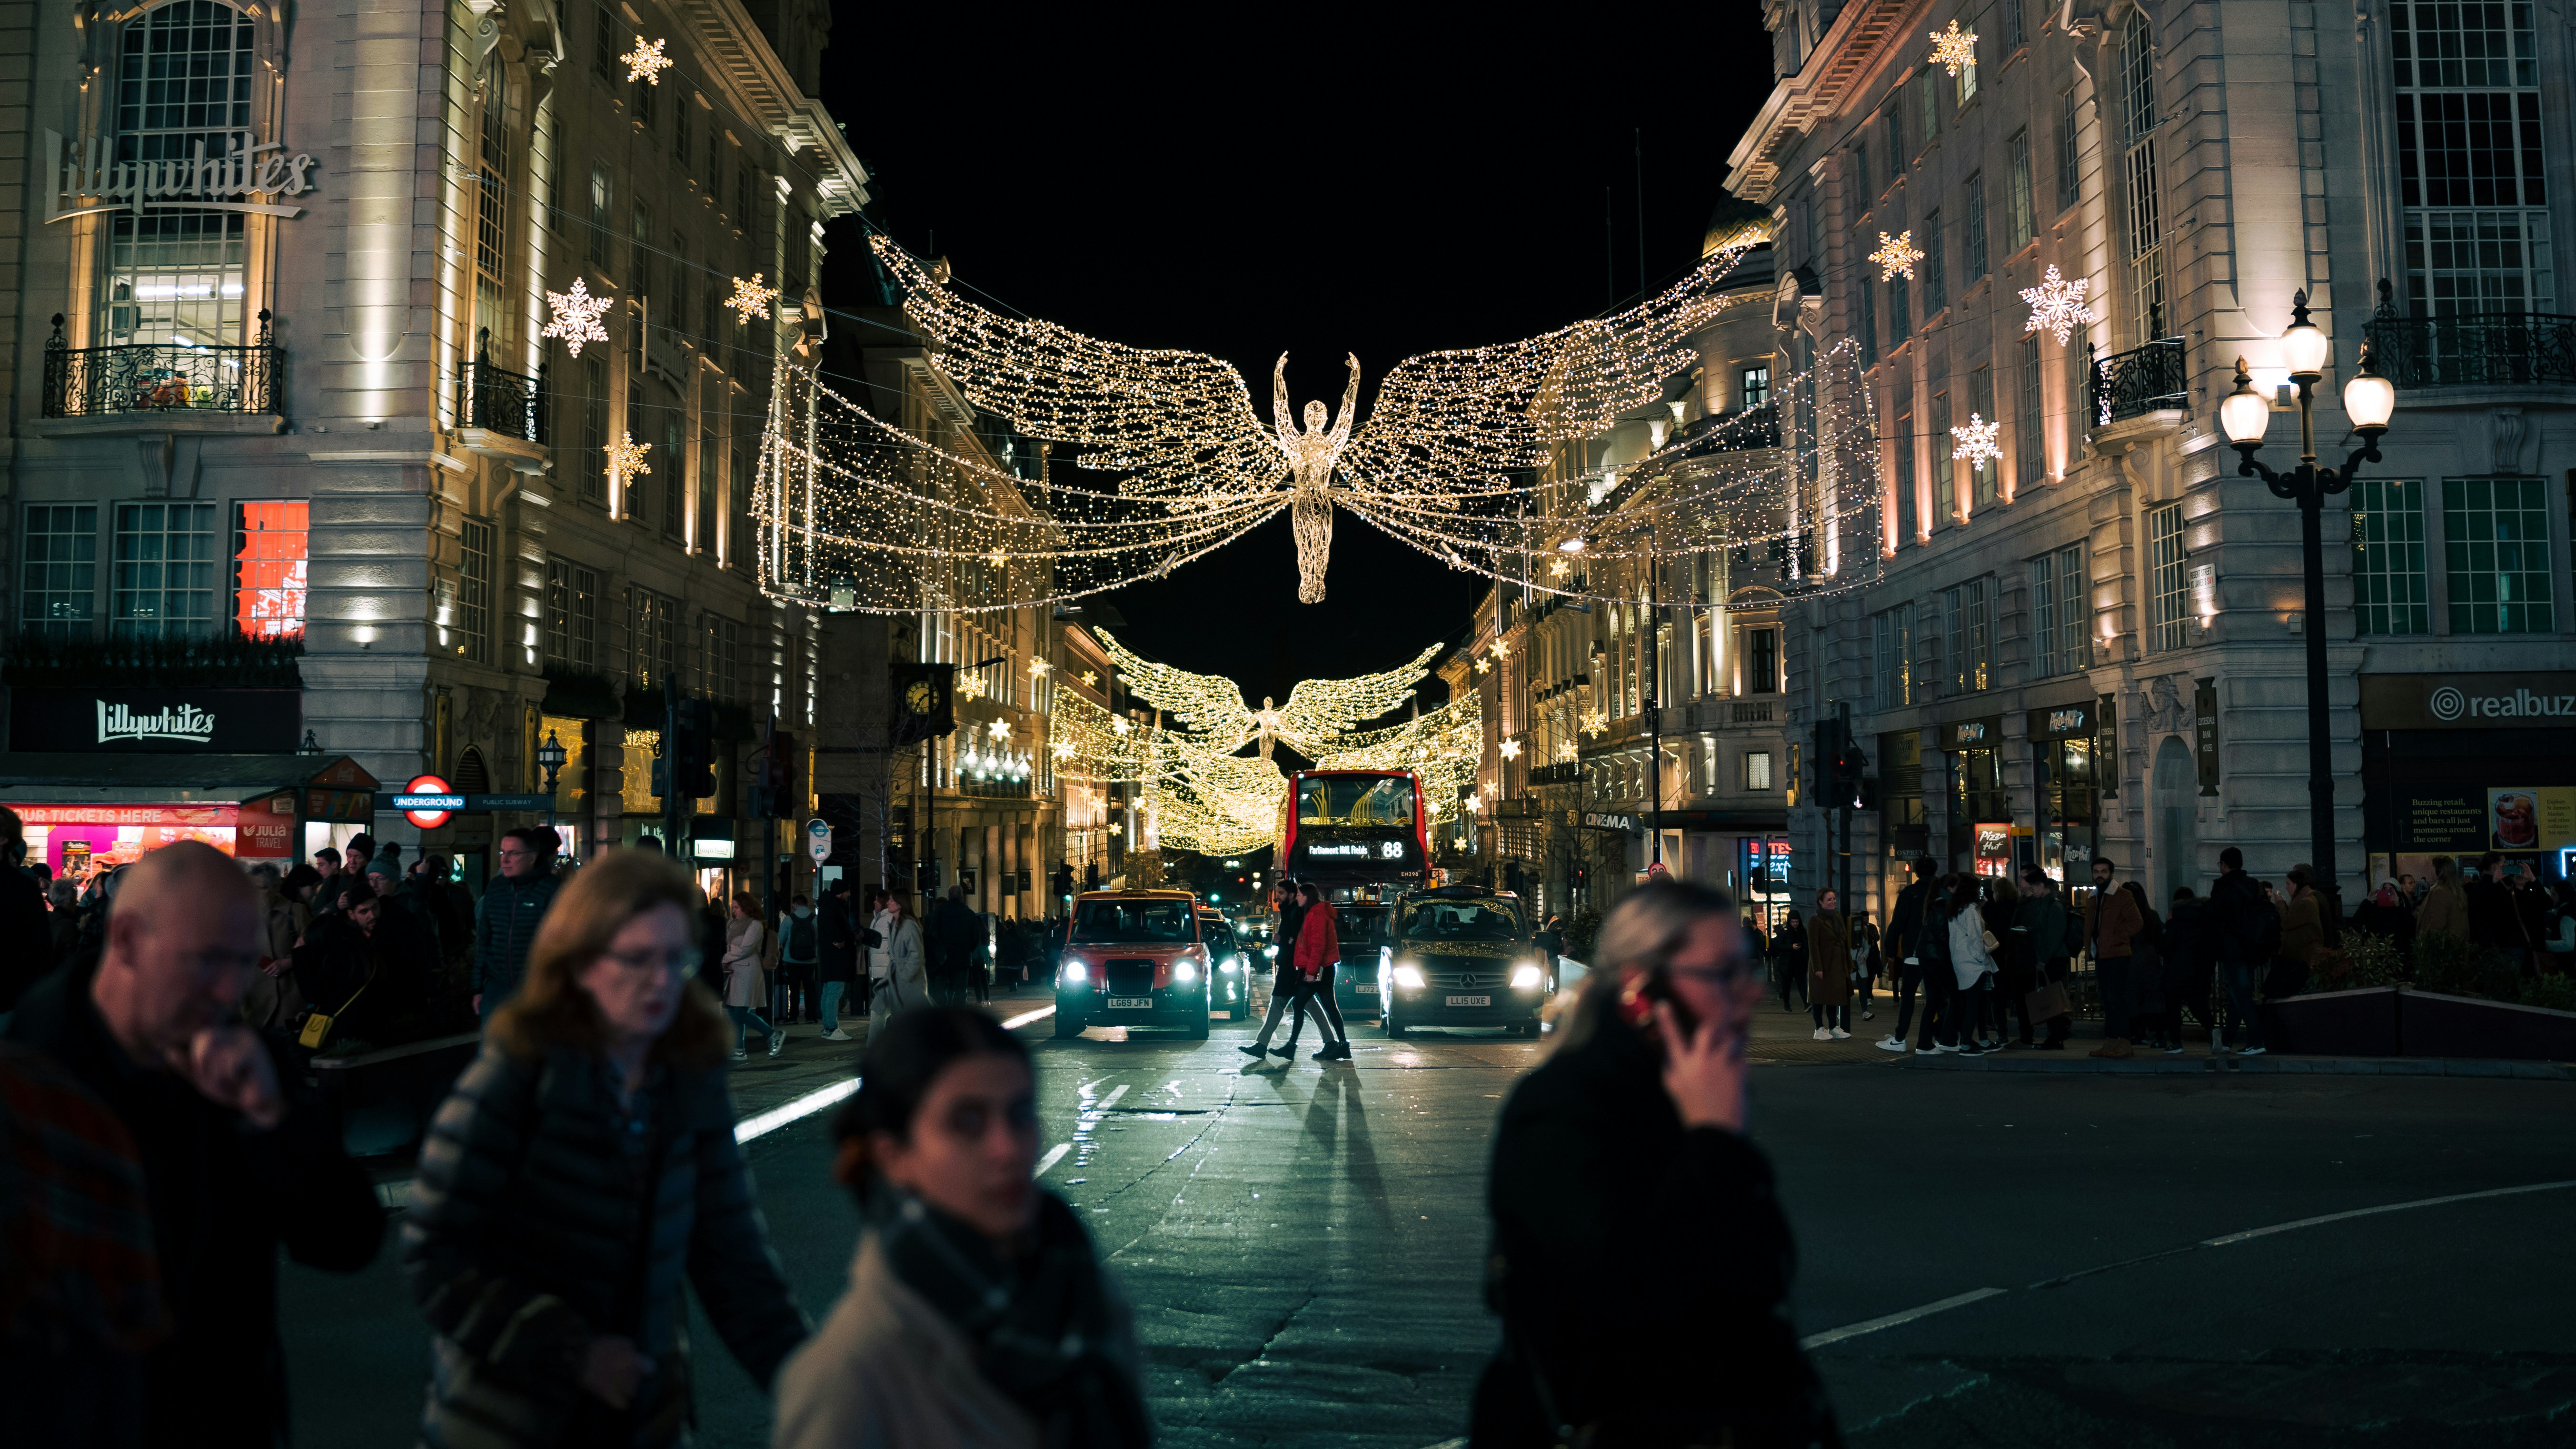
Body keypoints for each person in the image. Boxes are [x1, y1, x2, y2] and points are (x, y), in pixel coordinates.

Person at [404, 848, 809, 1447]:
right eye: (636, 958)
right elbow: (436, 1258)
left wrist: (820, 1388)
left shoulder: (687, 1082)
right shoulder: (515, 1080)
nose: (661, 980)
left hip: (643, 1412)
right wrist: (572, 1350)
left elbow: (735, 1263)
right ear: (581, 962)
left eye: (676, 959)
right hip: (506, 1418)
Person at [4, 840, 380, 1448]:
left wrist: (271, 1116)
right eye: (207, 960)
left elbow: (346, 1237)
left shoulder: (240, 1054)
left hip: (225, 1412)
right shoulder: (33, 1071)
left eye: (243, 962)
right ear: (126, 938)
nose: (228, 989)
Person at [1470, 880, 1839, 1447]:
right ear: (1640, 987)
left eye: (1747, 970)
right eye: (1721, 975)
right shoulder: (1560, 1108)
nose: (1749, 995)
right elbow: (1632, 1293)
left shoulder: (1685, 1089)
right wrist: (1714, 1140)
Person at [773, 1008, 1151, 1449]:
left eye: (1020, 1113)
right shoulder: (850, 1376)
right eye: (967, 1122)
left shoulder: (1085, 1288)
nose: (1006, 1149)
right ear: (894, 1156)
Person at [474, 828, 561, 1017]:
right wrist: (478, 988)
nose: (504, 860)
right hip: (497, 989)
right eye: (502, 853)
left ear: (532, 857)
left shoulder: (551, 889)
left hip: (536, 987)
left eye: (513, 853)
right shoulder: (496, 888)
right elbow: (484, 939)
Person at [2208, 847, 2270, 1056]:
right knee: (2238, 995)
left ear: (2224, 865)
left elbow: (2215, 918)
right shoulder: (2254, 884)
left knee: (2241, 996)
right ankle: (2227, 1041)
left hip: (2232, 949)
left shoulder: (2222, 887)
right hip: (2252, 948)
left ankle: (2257, 1040)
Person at [2084, 857, 2144, 1059]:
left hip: (2117, 954)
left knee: (2116, 998)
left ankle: (2124, 1042)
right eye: (2096, 871)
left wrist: (2116, 938)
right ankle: (2111, 1040)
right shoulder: (2093, 897)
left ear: (2111, 874)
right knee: (2107, 1000)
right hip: (2101, 954)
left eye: (2103, 871)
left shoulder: (2122, 895)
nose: (2099, 875)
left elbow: (2136, 922)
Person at [1876, 857, 1937, 1054]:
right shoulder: (1941, 893)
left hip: (1914, 952)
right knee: (1936, 996)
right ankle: (1938, 1037)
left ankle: (1900, 1037)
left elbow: (1898, 923)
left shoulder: (1910, 893)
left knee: (1908, 995)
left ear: (1917, 873)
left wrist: (1891, 951)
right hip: (1938, 953)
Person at [1290, 881, 1353, 1061]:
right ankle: (1340, 1045)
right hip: (1322, 969)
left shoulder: (1316, 915)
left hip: (1319, 970)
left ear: (1307, 896)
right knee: (1330, 1007)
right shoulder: (1313, 913)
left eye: (1300, 895)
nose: (1298, 898)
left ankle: (1292, 1046)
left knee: (1299, 1004)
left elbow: (1318, 947)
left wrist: (1310, 973)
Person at [2014, 867, 2074, 1049]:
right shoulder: (2046, 904)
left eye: (2033, 888)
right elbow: (2047, 931)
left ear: (2041, 886)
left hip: (2053, 959)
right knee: (2051, 998)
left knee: (2053, 999)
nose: (2031, 891)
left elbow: (2054, 936)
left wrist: (2043, 960)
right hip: (2051, 958)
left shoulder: (2052, 905)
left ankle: (2056, 1036)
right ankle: (2055, 1035)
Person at [723, 892, 781, 1061]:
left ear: (746, 908)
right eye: (733, 907)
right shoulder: (733, 924)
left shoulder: (755, 925)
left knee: (740, 1012)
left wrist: (727, 956)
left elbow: (746, 948)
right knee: (735, 1011)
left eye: (737, 908)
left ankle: (772, 1034)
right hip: (735, 971)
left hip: (748, 970)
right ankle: (740, 1049)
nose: (734, 911)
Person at [2119, 879, 2169, 1052]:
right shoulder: (2151, 915)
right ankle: (2158, 1036)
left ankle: (2136, 1034)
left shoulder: (2125, 917)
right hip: (2151, 960)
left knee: (2132, 998)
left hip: (2131, 960)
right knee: (2153, 999)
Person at [1807, 889, 1853, 1040]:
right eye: (1829, 900)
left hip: (1837, 964)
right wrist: (1818, 968)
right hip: (1823, 964)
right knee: (1819, 996)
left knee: (1834, 996)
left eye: (1834, 899)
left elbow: (1844, 941)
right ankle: (1819, 1028)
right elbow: (1813, 946)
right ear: (1821, 902)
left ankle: (1834, 1027)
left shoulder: (1837, 917)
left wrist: (1848, 962)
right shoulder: (1816, 921)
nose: (1833, 902)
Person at [817, 879, 860, 1042]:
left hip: (829, 958)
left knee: (828, 992)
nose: (849, 894)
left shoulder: (826, 905)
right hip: (836, 958)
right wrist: (843, 939)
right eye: (847, 891)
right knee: (834, 993)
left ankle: (828, 1027)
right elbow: (835, 930)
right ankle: (832, 1028)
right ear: (841, 892)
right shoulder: (833, 907)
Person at [875, 890, 927, 1015]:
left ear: (900, 904)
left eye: (892, 900)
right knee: (879, 1011)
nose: (888, 902)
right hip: (895, 976)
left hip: (904, 979)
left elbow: (916, 954)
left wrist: (905, 975)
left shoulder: (908, 925)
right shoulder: (896, 923)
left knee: (910, 1014)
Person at [930, 885, 980, 1007]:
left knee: (941, 988)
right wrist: (968, 950)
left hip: (943, 959)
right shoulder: (969, 914)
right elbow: (975, 937)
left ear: (949, 896)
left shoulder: (940, 912)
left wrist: (938, 952)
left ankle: (942, 1014)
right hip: (962, 959)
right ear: (962, 897)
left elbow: (932, 933)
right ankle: (958, 1016)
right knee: (960, 991)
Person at [777, 894, 820, 1026]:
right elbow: (818, 938)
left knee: (794, 989)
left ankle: (793, 1017)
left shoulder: (789, 919)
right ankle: (811, 1017)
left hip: (792, 959)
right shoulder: (815, 919)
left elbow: (781, 939)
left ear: (795, 905)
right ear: (807, 904)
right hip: (811, 960)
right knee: (810, 989)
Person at [2415, 855, 2469, 941]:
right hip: (2456, 945)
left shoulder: (2440, 891)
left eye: (2433, 867)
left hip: (2443, 948)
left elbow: (2438, 924)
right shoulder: (2456, 891)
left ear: (2439, 871)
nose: (2430, 869)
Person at [1771, 908, 1808, 1014]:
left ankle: (1806, 1004)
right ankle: (1787, 1004)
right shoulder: (1785, 932)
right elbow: (1778, 944)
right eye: (1793, 922)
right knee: (1787, 986)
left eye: (1797, 922)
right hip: (1787, 964)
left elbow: (1806, 945)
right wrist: (1791, 947)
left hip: (1799, 963)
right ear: (1790, 922)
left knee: (1802, 985)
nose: (1795, 924)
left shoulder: (1802, 931)